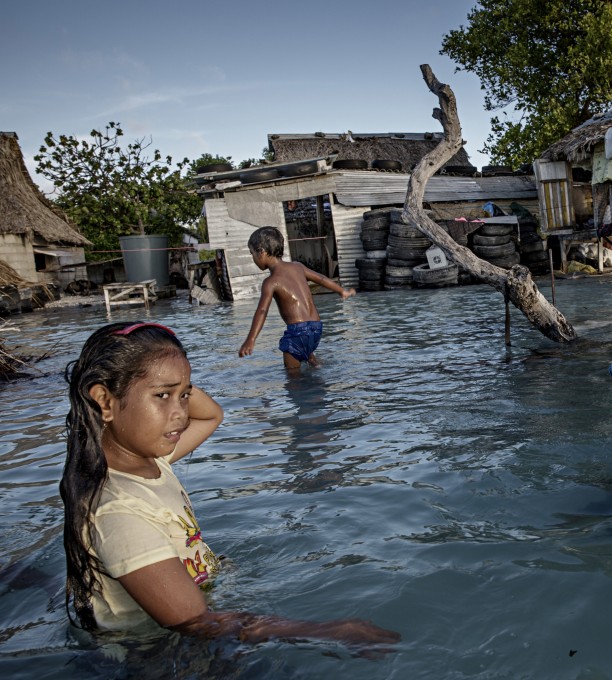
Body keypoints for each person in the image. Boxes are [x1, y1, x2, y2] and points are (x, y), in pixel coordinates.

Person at [62, 321, 400, 650]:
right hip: (152, 653)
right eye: (162, 396)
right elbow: (195, 622)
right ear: (104, 402)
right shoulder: (119, 513)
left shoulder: (151, 461)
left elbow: (211, 416)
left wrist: (173, 380)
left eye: (185, 395)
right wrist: (327, 631)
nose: (180, 413)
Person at [239, 226, 356, 369]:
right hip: (316, 328)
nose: (253, 259)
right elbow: (321, 278)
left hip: (297, 332)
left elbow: (262, 311)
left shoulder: (270, 282)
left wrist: (251, 339)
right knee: (308, 355)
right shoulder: (298, 266)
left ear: (261, 252)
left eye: (252, 254)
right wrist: (341, 291)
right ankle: (314, 362)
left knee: (292, 378)